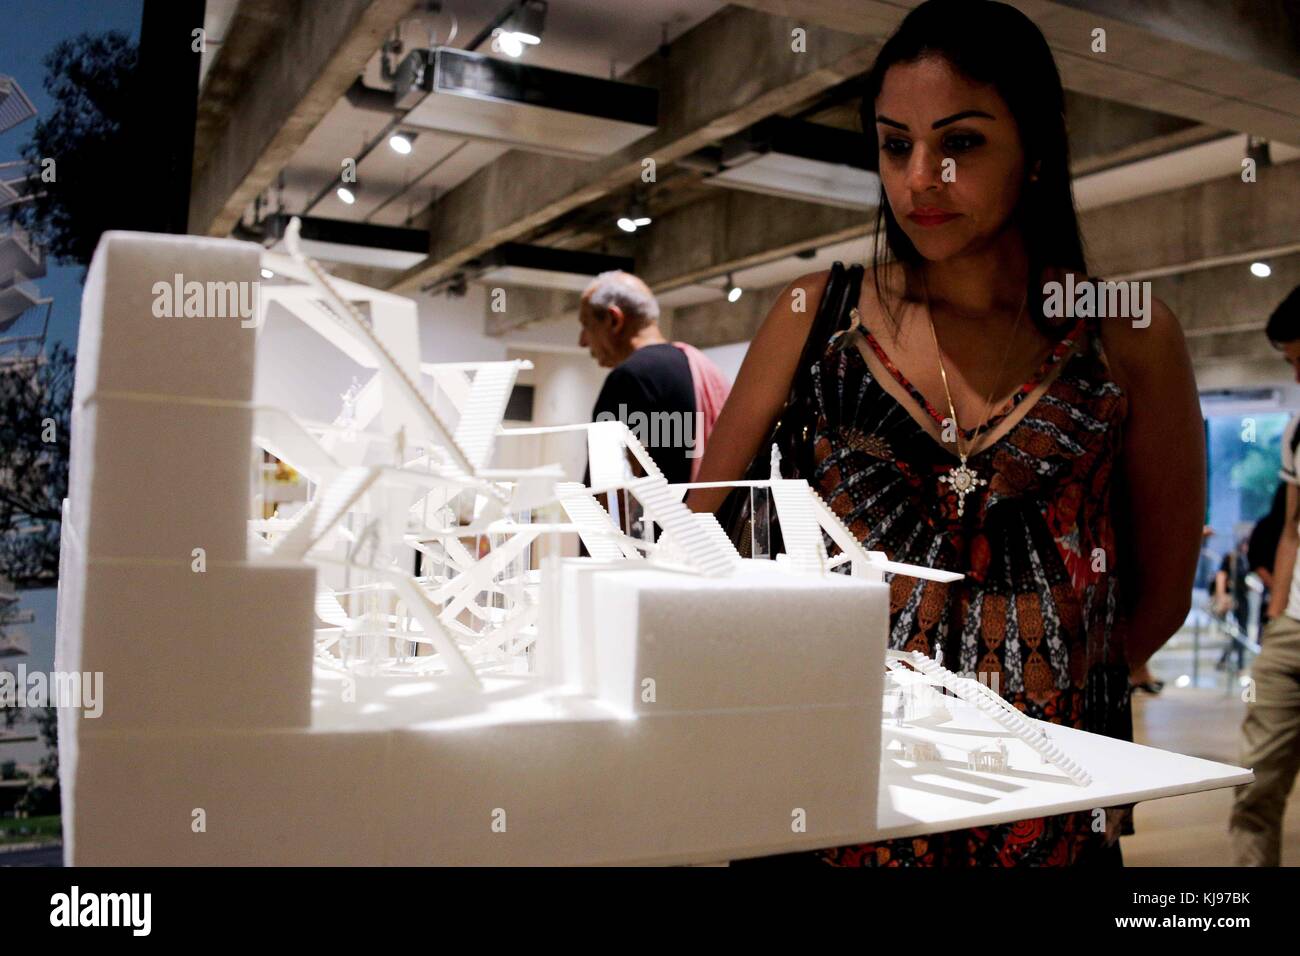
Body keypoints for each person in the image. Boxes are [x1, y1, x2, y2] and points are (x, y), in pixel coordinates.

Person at [688, 0, 1205, 866]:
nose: (921, 177)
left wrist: (1041, 690)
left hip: (1042, 814)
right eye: (897, 145)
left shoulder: (1125, 334)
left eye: (960, 143)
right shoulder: (819, 314)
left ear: (1037, 148)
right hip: (834, 801)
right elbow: (696, 540)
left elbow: (1157, 598)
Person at [1230, 283, 1300, 866]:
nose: (1298, 378)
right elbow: (1291, 530)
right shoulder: (1297, 433)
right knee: (1256, 785)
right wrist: (1277, 616)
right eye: (1291, 364)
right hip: (1291, 632)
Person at [578, 270, 730, 488]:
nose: (582, 341)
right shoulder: (701, 367)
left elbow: (609, 490)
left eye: (587, 325)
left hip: (656, 521)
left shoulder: (630, 379)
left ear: (614, 319)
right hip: (703, 519)